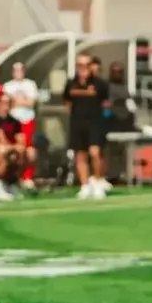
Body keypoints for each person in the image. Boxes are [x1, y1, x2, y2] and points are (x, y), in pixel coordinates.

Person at [63, 53, 110, 200]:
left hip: (95, 123)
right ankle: (84, 186)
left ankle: (97, 182)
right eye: (80, 65)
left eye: (86, 65)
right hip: (77, 123)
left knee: (95, 152)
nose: (83, 68)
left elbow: (106, 102)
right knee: (80, 155)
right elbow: (67, 101)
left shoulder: (100, 84)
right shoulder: (71, 83)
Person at [2, 61, 39, 191]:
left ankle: (27, 177)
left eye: (21, 70)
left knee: (29, 150)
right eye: (16, 70)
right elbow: (8, 105)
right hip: (13, 122)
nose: (18, 73)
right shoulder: (7, 86)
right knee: (15, 150)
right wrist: (21, 101)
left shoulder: (30, 84)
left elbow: (31, 103)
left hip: (27, 120)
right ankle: (13, 177)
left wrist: (17, 101)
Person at [104, 60, 136, 183]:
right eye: (115, 71)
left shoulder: (124, 87)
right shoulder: (107, 87)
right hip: (112, 122)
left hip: (125, 122)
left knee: (123, 151)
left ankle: (121, 174)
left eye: (120, 72)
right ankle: (111, 175)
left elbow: (130, 104)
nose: (117, 74)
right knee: (111, 151)